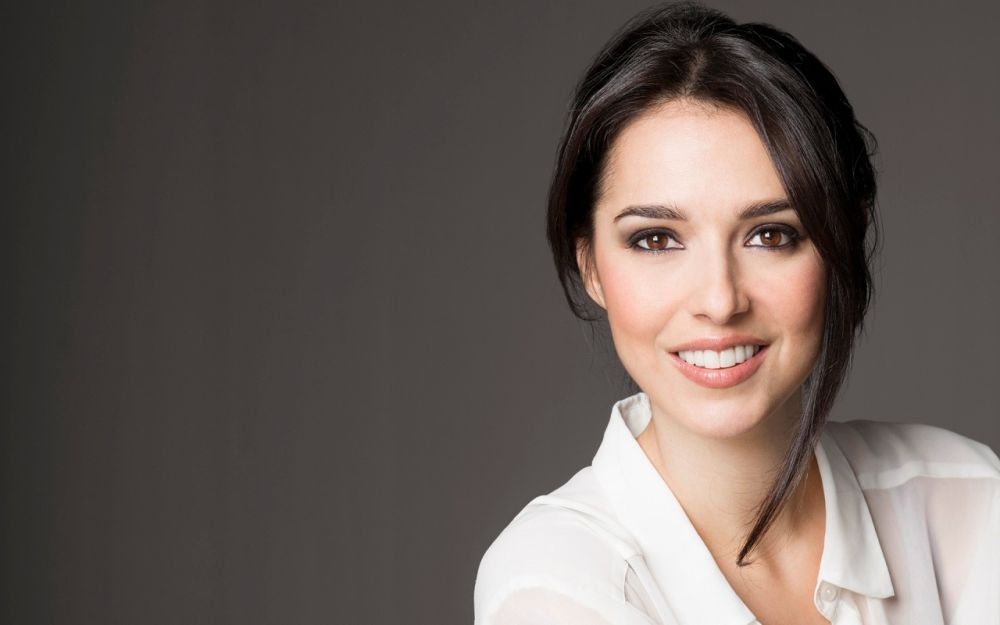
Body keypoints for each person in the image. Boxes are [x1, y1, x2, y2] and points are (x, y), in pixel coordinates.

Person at [472, 3, 1000, 624]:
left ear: (842, 241)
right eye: (656, 240)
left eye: (770, 235)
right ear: (590, 265)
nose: (720, 301)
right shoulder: (553, 584)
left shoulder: (967, 502)